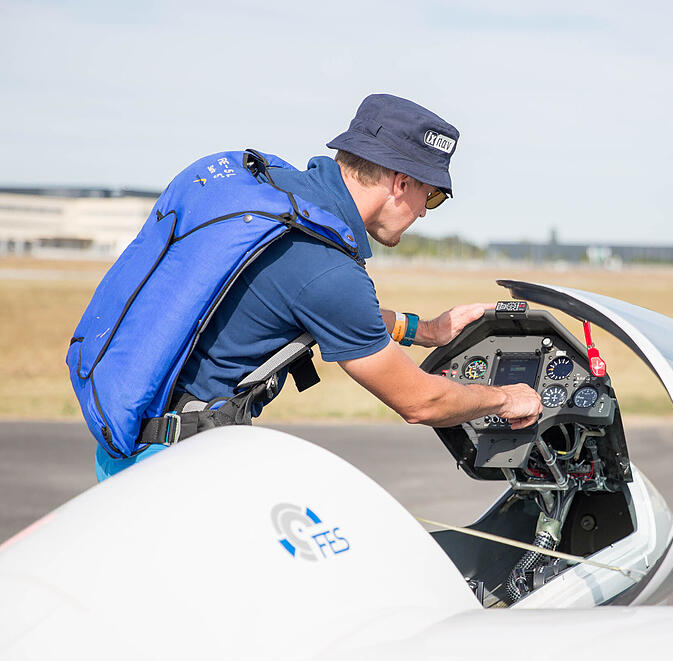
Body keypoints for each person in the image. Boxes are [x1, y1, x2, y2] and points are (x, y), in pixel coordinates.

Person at [94, 94, 542, 480]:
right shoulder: (327, 268)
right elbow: (420, 401)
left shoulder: (275, 195)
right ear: (401, 183)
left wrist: (426, 330)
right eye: (431, 197)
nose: (425, 213)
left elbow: (319, 309)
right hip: (176, 467)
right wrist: (507, 398)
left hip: (131, 439)